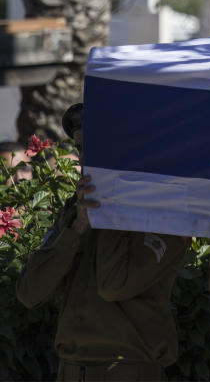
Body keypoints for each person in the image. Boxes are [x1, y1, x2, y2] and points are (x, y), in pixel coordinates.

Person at [16, 104, 189, 381]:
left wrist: (110, 211)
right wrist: (74, 231)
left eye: (98, 148)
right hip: (70, 368)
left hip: (126, 369)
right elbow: (29, 292)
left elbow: (114, 285)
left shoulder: (161, 211)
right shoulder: (78, 210)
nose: (86, 160)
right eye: (83, 149)